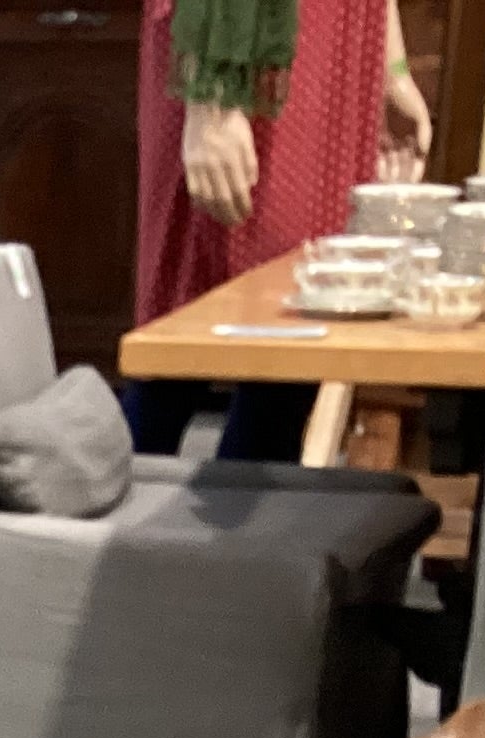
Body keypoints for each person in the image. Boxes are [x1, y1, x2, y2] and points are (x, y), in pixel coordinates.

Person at [131, 0, 433, 458]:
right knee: (185, 326)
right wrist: (212, 102)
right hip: (234, 42)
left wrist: (390, 66)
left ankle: (247, 525)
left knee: (302, 321)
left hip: (334, 37)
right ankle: (91, 517)